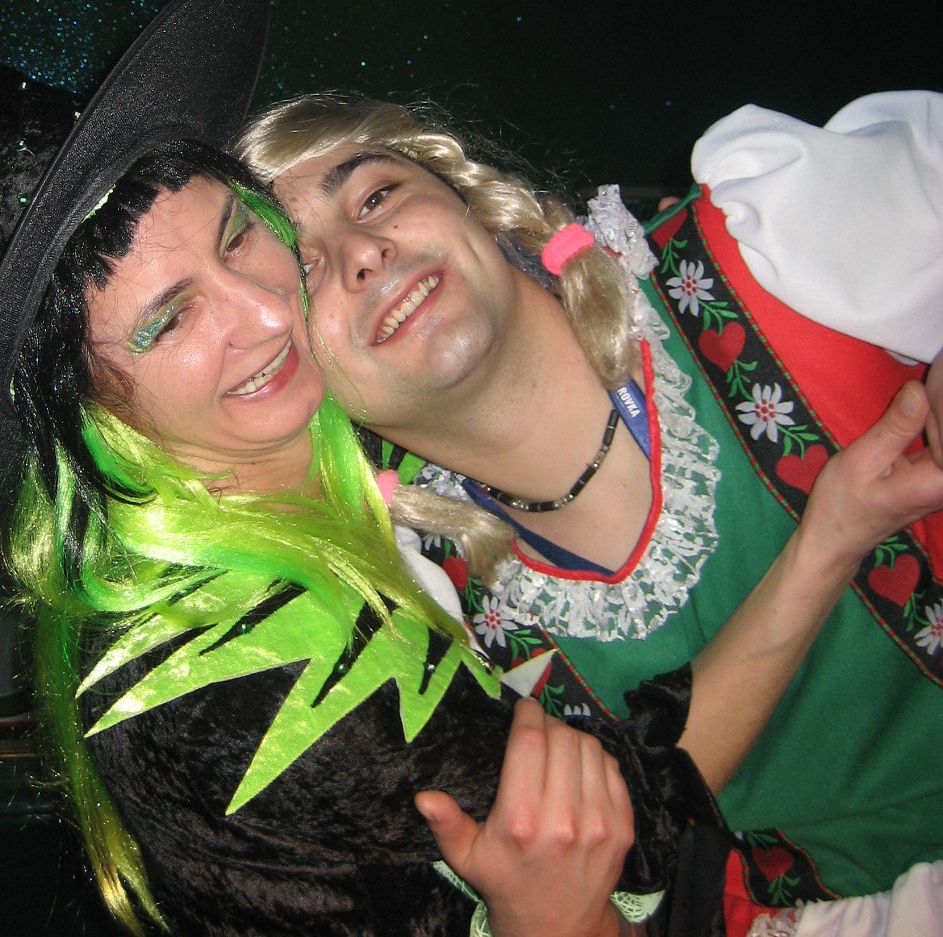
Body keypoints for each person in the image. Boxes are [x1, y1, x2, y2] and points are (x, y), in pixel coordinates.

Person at [0, 0, 931, 937]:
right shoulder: (276, 651)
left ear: (469, 194)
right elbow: (608, 834)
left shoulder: (763, 255)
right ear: (100, 415)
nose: (273, 307)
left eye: (246, 239)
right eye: (166, 319)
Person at [235, 90, 943, 934]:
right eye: (302, 271)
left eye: (378, 194)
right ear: (293, 377)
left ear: (467, 199)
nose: (363, 252)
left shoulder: (769, 241)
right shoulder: (426, 621)